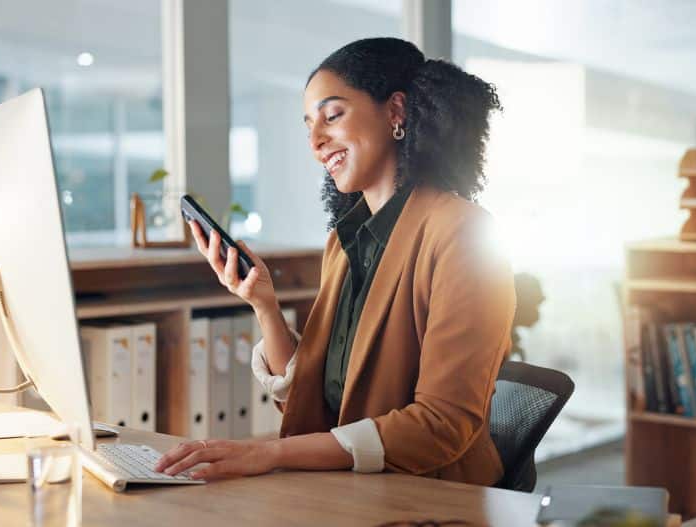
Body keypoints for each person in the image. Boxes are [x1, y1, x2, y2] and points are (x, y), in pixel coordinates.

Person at [155, 37, 516, 486]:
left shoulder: (463, 233)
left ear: (396, 112)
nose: (316, 142)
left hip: (434, 498)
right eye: (308, 125)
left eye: (332, 115)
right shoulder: (343, 243)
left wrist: (269, 453)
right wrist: (264, 304)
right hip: (353, 490)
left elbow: (441, 425)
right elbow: (311, 403)